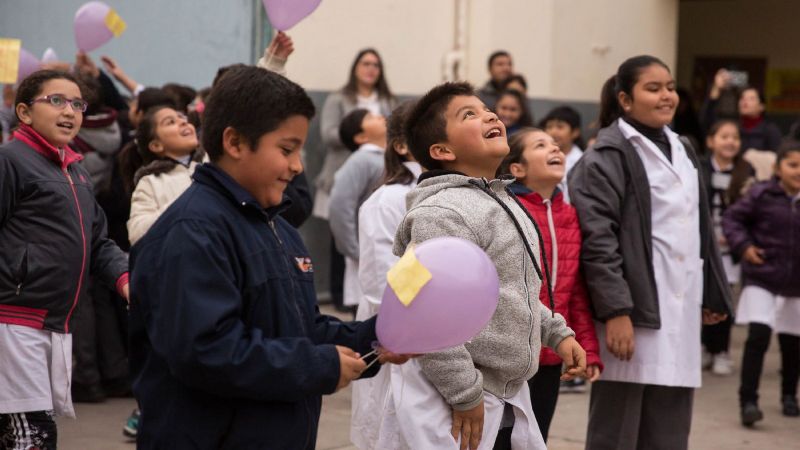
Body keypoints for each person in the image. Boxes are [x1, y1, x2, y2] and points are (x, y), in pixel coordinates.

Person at [128, 65, 409, 449]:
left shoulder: (278, 228)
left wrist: (376, 335)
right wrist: (320, 366)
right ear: (235, 143)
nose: (296, 167)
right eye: (286, 149)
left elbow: (300, 327)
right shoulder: (192, 232)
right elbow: (207, 352)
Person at [386, 81, 585, 450]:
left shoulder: (503, 202)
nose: (489, 114)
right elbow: (424, 310)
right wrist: (463, 390)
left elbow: (513, 291)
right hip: (456, 400)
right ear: (442, 150)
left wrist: (557, 333)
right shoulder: (440, 213)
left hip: (504, 396)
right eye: (469, 115)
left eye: (485, 108)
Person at [569, 55, 733, 450]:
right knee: (617, 431)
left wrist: (713, 290)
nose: (666, 96)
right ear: (625, 100)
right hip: (632, 312)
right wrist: (617, 311)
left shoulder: (685, 148)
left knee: (670, 429)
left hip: (680, 305)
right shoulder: (606, 156)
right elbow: (598, 241)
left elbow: (700, 230)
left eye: (671, 87)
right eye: (653, 88)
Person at [0, 70, 129, 449]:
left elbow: (99, 242)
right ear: (24, 112)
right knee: (33, 436)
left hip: (53, 324)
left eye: (77, 103)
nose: (69, 111)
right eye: (56, 101)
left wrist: (126, 279)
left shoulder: (76, 170)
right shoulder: (10, 161)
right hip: (14, 321)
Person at [498, 127, 603, 442]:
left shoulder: (569, 215)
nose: (555, 148)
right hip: (513, 354)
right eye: (541, 145)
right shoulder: (509, 211)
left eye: (556, 144)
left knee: (536, 436)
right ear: (518, 169)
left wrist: (588, 346)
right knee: (501, 437)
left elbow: (576, 293)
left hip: (553, 354)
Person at [349, 101, 421, 449]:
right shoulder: (389, 200)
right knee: (392, 431)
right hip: (402, 336)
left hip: (445, 341)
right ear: (402, 145)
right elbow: (383, 282)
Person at [722, 141, 800, 426]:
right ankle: (749, 401)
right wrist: (744, 247)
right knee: (758, 337)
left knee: (793, 344)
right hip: (762, 277)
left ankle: (789, 395)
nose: (798, 171)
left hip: (795, 285)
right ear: (778, 169)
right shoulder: (761, 194)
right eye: (792, 164)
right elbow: (732, 219)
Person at [315, 48, 396, 311]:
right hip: (345, 168)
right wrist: (357, 131)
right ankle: (342, 299)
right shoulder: (340, 99)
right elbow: (328, 133)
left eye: (376, 64)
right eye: (366, 63)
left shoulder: (387, 100)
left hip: (377, 159)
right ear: (355, 67)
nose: (371, 69)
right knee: (343, 236)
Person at [699, 119, 755, 377]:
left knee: (724, 299)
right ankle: (703, 347)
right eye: (724, 136)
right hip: (702, 247)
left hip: (731, 249)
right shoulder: (699, 167)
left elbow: (751, 212)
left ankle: (721, 351)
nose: (730, 141)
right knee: (701, 297)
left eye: (735, 137)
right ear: (711, 141)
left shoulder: (746, 170)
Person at [329, 109, 388, 312]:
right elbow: (339, 205)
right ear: (361, 137)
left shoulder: (385, 157)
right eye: (371, 118)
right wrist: (353, 249)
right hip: (365, 253)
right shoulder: (361, 160)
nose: (381, 117)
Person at [702, 69, 782, 152]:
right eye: (742, 98)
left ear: (761, 106)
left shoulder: (770, 130)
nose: (745, 101)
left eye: (751, 98)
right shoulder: (733, 127)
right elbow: (707, 122)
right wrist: (716, 89)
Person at [540, 106, 584, 203]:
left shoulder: (582, 160)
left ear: (575, 132)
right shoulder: (539, 157)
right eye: (549, 127)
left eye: (560, 127)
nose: (553, 132)